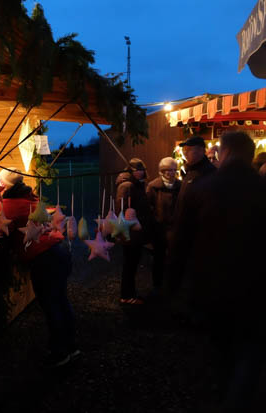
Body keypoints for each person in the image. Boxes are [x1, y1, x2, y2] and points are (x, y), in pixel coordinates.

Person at [167, 131, 266, 411]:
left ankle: (224, 393)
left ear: (223, 153)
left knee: (219, 348)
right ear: (249, 155)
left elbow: (180, 243)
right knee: (249, 351)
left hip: (211, 286)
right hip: (255, 290)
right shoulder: (262, 189)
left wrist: (171, 288)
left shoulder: (202, 188)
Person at [0, 168, 78, 368]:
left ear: (5, 185)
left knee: (51, 305)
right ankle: (70, 346)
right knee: (60, 299)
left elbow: (0, 227)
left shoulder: (6, 205)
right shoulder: (30, 198)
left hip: (45, 258)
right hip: (59, 251)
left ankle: (59, 353)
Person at [115, 158, 154, 305]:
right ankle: (127, 295)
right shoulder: (127, 185)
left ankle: (129, 293)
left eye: (142, 169)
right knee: (130, 264)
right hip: (130, 231)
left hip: (136, 231)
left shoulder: (137, 185)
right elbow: (122, 208)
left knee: (132, 263)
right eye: (137, 169)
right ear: (130, 170)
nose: (140, 172)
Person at [146, 157, 181, 290]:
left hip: (175, 229)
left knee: (175, 258)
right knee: (158, 259)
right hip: (159, 229)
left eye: (173, 170)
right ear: (161, 171)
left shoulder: (180, 185)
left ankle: (173, 284)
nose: (171, 173)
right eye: (168, 170)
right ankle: (157, 284)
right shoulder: (153, 187)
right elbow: (148, 207)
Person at [177, 136, 216, 209]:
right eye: (184, 149)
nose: (185, 153)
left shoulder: (209, 173)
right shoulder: (189, 171)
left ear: (201, 151)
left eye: (189, 149)